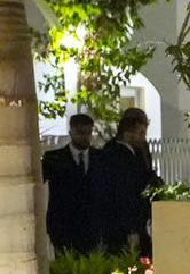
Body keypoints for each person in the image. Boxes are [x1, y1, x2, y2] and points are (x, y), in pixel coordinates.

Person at [96, 107, 161, 257]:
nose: (143, 137)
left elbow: (145, 173)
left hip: (141, 216)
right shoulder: (111, 153)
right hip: (120, 219)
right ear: (128, 133)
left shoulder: (142, 150)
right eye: (140, 133)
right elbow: (118, 191)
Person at [42, 113, 104, 254]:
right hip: (63, 224)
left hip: (93, 225)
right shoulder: (54, 159)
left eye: (88, 133)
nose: (85, 137)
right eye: (80, 133)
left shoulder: (100, 158)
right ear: (71, 132)